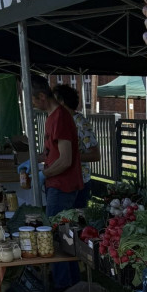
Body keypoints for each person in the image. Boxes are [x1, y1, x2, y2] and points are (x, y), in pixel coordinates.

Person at [30, 75, 83, 218]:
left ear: (42, 96)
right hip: (55, 184)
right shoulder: (51, 117)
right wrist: (32, 161)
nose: (32, 104)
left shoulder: (60, 117)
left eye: (32, 100)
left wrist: (43, 174)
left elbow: (65, 160)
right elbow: (50, 152)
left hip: (63, 186)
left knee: (55, 227)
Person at [52, 84, 100, 208]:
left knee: (76, 217)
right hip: (64, 180)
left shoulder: (80, 122)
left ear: (62, 102)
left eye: (54, 100)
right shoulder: (60, 121)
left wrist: (68, 157)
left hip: (79, 182)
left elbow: (95, 155)